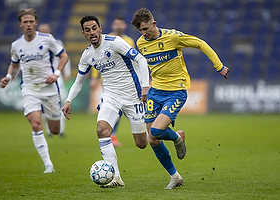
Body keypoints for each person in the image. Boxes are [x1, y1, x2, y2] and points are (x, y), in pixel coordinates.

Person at [131, 8, 230, 189]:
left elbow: (200, 43)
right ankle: (175, 177)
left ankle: (177, 138)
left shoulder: (173, 37)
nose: (144, 33)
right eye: (140, 31)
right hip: (155, 92)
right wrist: (144, 86)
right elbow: (143, 66)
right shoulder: (141, 43)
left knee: (155, 132)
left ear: (154, 23)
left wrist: (219, 66)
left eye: (146, 29)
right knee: (152, 139)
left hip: (176, 91)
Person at [62, 15, 150, 188]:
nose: (92, 32)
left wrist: (145, 87)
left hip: (133, 96)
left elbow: (140, 59)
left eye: (94, 28)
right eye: (87, 30)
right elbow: (79, 82)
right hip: (111, 97)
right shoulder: (87, 55)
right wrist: (68, 100)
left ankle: (168, 134)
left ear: (100, 28)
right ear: (84, 34)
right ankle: (116, 177)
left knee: (142, 144)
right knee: (102, 130)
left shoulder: (115, 42)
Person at [0, 8, 69, 173]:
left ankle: (53, 132)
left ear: (36, 23)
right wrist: (8, 77)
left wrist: (56, 74)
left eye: (31, 21)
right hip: (29, 89)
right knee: (36, 124)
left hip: (49, 89)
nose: (29, 24)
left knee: (55, 130)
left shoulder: (47, 39)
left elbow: (64, 56)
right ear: (20, 24)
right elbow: (14, 64)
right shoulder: (16, 45)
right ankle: (48, 165)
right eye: (25, 22)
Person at [89, 17, 136, 147]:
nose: (118, 26)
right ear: (113, 25)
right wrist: (94, 78)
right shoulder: (104, 39)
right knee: (114, 108)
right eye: (116, 23)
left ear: (125, 26)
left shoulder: (129, 41)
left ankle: (142, 131)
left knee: (131, 107)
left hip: (127, 81)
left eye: (120, 23)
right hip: (109, 82)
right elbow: (98, 60)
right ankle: (112, 135)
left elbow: (134, 60)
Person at [38, 23, 72, 137]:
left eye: (45, 30)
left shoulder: (57, 42)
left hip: (56, 76)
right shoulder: (35, 44)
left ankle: (61, 129)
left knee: (60, 102)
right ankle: (49, 130)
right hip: (42, 78)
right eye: (41, 31)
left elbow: (64, 57)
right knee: (44, 105)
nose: (44, 33)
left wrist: (66, 73)